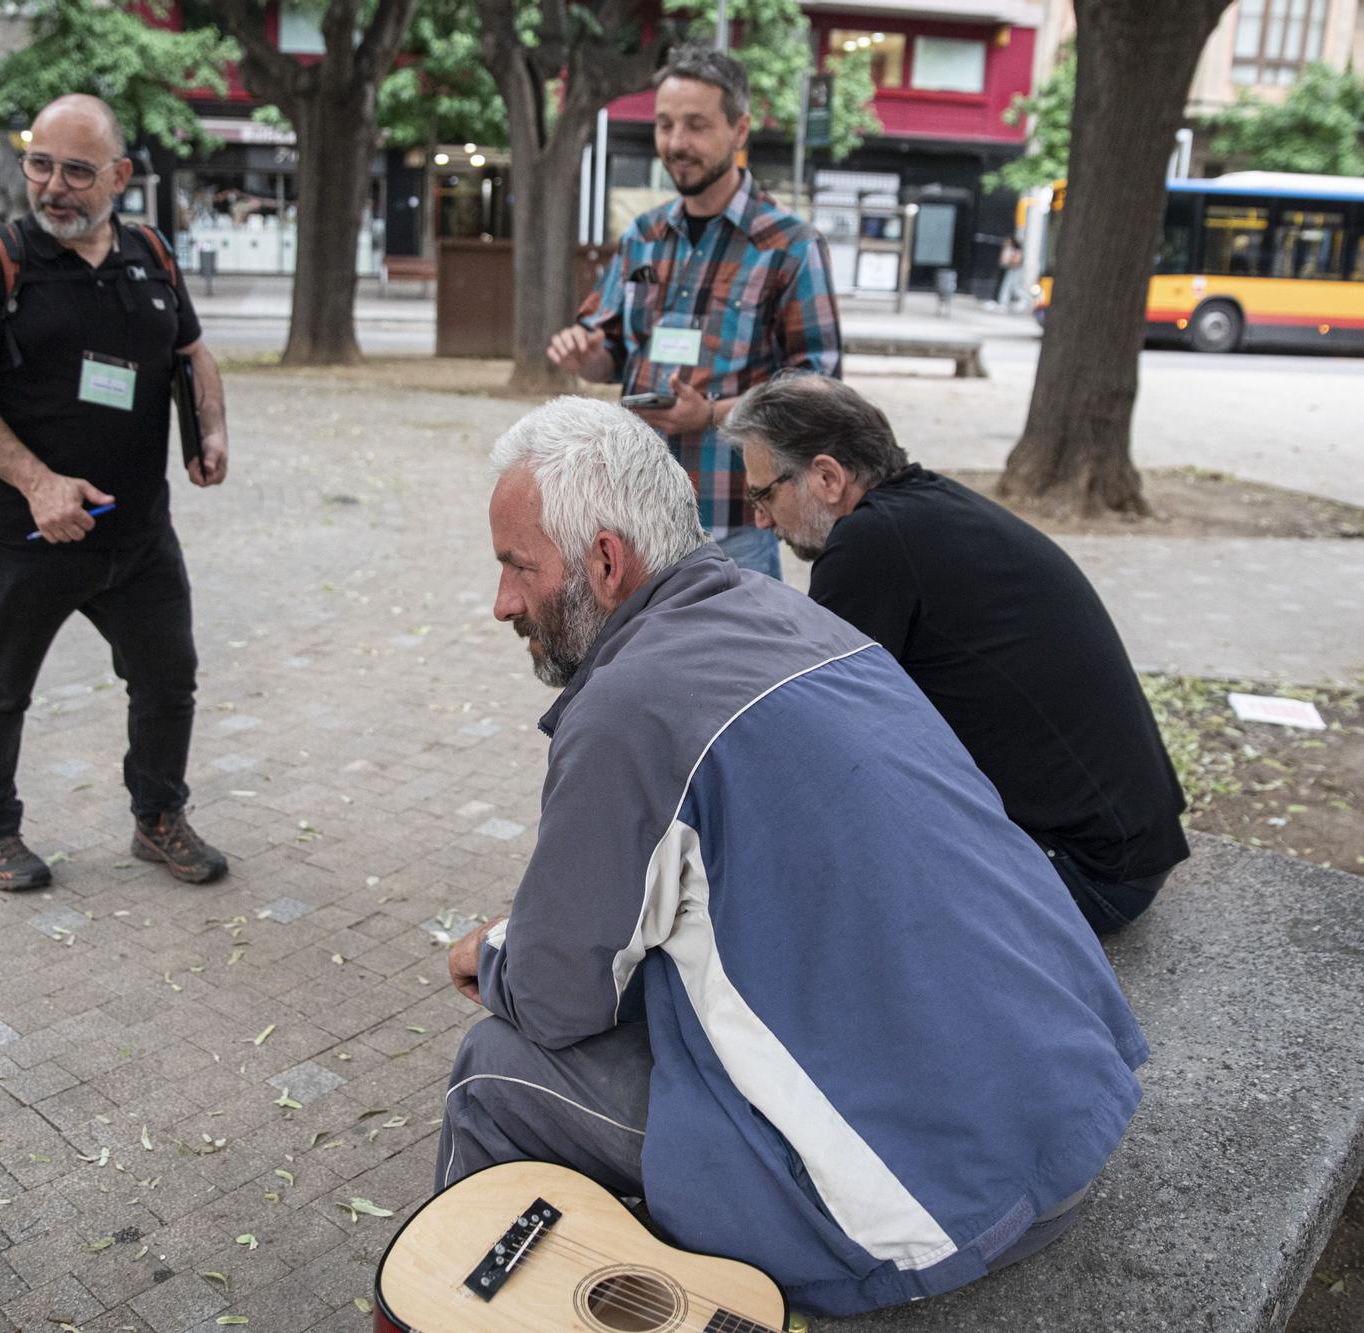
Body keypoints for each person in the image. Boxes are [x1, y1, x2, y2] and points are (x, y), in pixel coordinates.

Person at [436, 395, 1147, 1317]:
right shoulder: (802, 621)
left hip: (936, 1203)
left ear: (605, 563)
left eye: (516, 568)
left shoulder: (629, 709)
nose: (502, 603)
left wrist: (491, 951)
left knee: (494, 1064)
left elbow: (557, 995)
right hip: (1068, 1104)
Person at [725, 374, 1189, 933]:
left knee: (780, 892)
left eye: (762, 493)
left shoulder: (869, 544)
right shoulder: (925, 508)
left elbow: (808, 727)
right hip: (1123, 852)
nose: (760, 519)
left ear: (826, 476)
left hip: (1085, 874)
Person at [0, 94, 230, 893]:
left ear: (121, 176)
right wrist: (37, 482)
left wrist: (212, 430)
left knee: (169, 677)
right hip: (25, 533)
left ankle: (157, 816)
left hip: (137, 535)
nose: (53, 185)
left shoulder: (152, 256)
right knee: (0, 687)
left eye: (77, 171)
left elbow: (195, 355)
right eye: (40, 164)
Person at [545, 45, 840, 580]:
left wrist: (710, 414)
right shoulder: (643, 236)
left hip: (735, 523)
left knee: (742, 665)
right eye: (665, 125)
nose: (676, 144)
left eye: (697, 125)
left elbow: (818, 387)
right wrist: (584, 355)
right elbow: (607, 352)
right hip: (637, 515)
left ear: (740, 129)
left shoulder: (791, 246)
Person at [994, 233, 1023, 311]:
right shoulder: (1008, 248)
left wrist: (1010, 262)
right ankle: (1003, 302)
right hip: (1010, 269)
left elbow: (1018, 261)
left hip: (1015, 270)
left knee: (1015, 288)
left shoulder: (1017, 250)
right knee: (1006, 286)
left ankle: (1024, 300)